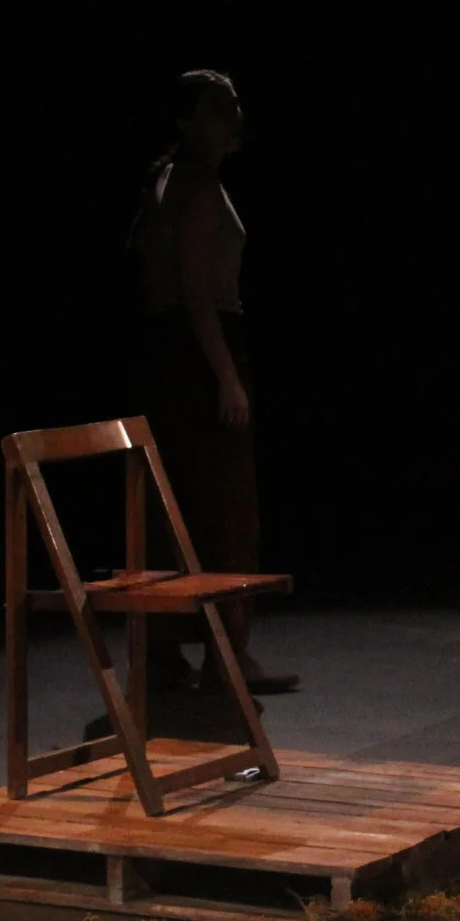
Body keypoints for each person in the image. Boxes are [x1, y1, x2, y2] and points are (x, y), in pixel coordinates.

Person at [132, 69, 295, 694]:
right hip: (200, 351)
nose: (234, 115)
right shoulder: (194, 182)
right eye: (218, 107)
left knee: (178, 501)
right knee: (227, 508)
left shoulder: (172, 177)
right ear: (185, 121)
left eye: (234, 103)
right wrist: (227, 376)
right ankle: (229, 653)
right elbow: (196, 290)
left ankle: (167, 650)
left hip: (174, 355)